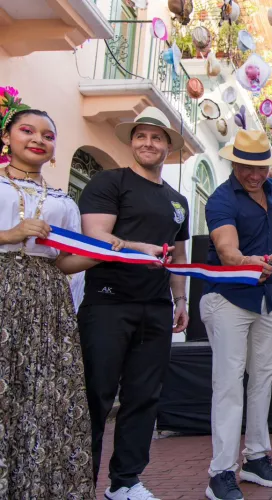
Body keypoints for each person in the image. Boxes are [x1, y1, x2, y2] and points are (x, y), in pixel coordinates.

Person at [78, 107, 191, 500]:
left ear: (167, 146)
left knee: (145, 396)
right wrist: (135, 248)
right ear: (132, 142)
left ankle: (125, 482)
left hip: (156, 307)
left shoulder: (178, 202)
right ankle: (79, 481)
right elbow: (96, 238)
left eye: (157, 137)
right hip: (108, 303)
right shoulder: (109, 182)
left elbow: (178, 256)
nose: (149, 143)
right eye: (142, 136)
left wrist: (180, 299)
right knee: (96, 394)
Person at [0, 99, 102, 499]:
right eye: (27, 131)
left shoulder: (63, 201)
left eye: (48, 135)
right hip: (3, 290)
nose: (39, 139)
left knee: (43, 395)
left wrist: (103, 254)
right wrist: (9, 234)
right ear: (7, 137)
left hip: (47, 302)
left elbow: (62, 263)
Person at [201, 130, 272, 500]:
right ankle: (220, 471)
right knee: (228, 381)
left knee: (263, 379)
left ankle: (255, 457)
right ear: (234, 163)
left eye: (261, 166)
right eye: (246, 166)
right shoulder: (221, 199)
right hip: (227, 298)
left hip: (266, 298)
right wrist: (247, 262)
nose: (255, 174)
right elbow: (227, 251)